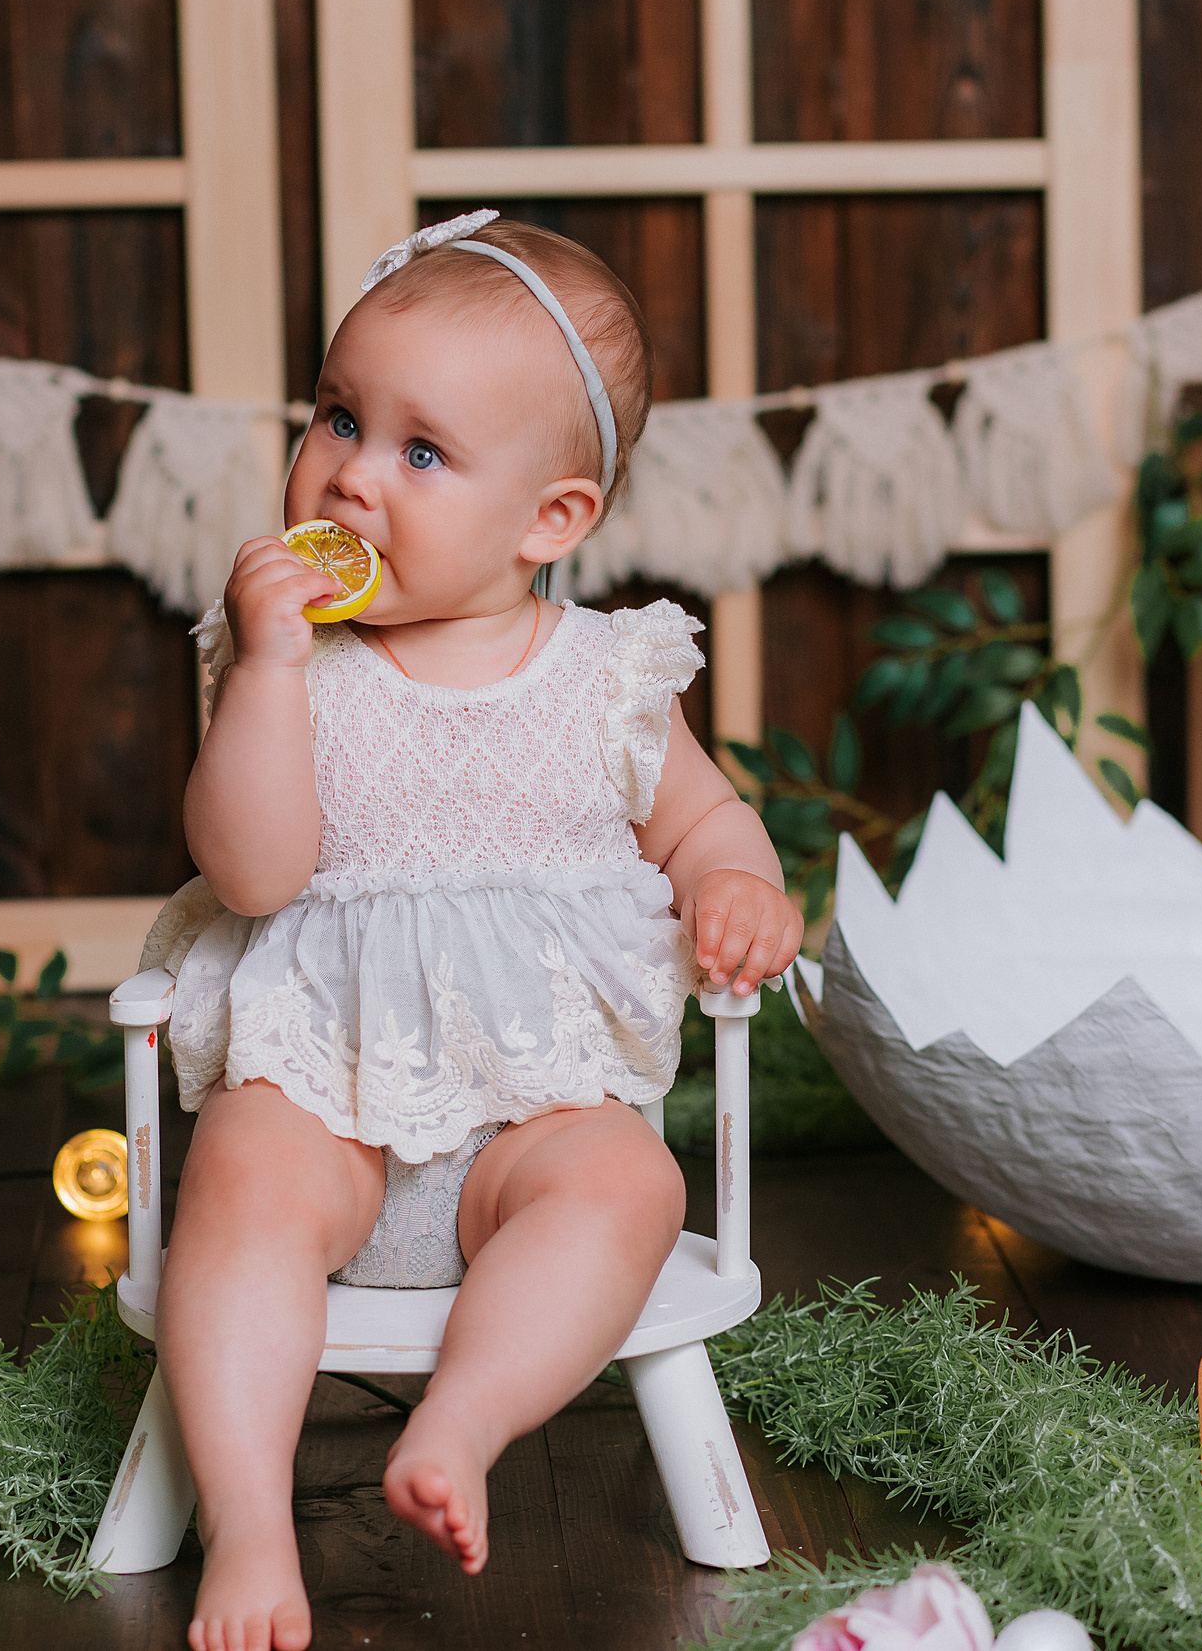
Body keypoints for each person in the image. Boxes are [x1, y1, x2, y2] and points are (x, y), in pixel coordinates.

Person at [148, 210, 802, 1651]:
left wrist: (736, 885)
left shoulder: (606, 675)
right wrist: (261, 670)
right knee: (239, 1193)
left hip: (531, 1121)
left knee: (626, 1189)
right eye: (336, 417)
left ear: (549, 520)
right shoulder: (288, 663)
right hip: (328, 1112)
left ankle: (464, 1422)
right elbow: (254, 873)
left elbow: (701, 821)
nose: (351, 475)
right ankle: (251, 1526)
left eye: (420, 452)